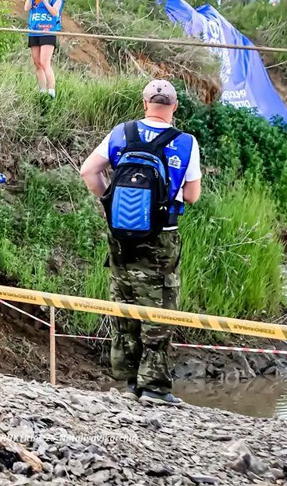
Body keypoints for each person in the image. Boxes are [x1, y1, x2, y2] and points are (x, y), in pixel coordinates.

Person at [79, 79, 202, 406]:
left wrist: (110, 202)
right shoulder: (186, 142)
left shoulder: (121, 133)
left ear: (144, 102)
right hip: (161, 237)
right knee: (159, 307)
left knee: (124, 301)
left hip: (120, 235)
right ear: (174, 107)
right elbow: (191, 195)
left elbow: (89, 171)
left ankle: (128, 382)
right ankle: (155, 388)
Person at [24, 0, 63, 97]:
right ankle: (42, 91)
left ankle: (51, 91)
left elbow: (54, 12)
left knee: (45, 62)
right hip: (34, 31)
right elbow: (26, 8)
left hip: (48, 31)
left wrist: (45, 0)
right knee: (37, 63)